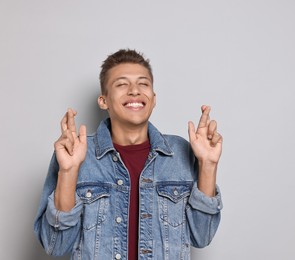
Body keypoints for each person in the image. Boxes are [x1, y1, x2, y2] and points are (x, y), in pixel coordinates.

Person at [34, 49, 223, 260]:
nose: (134, 90)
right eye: (122, 84)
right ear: (103, 101)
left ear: (153, 98)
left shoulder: (180, 152)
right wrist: (68, 171)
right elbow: (55, 245)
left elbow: (202, 236)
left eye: (143, 84)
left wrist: (208, 164)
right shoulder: (75, 153)